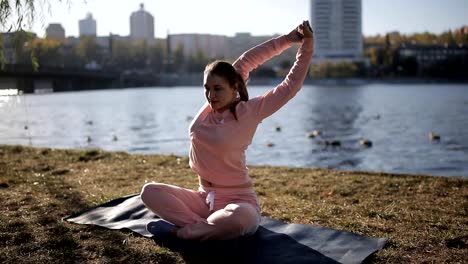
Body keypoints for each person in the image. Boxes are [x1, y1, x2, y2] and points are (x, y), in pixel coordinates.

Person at [141, 20, 314, 241]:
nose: (211, 95)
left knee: (239, 219)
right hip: (204, 198)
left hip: (239, 202)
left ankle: (182, 231)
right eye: (207, 89)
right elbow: (245, 62)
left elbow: (289, 84)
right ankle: (202, 228)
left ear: (235, 87)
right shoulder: (208, 110)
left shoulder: (250, 112)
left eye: (218, 89)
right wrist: (288, 38)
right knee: (150, 192)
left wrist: (302, 43)